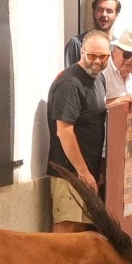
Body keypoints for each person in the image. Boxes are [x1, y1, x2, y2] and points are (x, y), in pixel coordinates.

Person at [47, 31, 109, 232]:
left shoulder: (99, 79)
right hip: (69, 172)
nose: (97, 62)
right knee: (67, 228)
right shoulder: (69, 83)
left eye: (103, 57)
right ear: (82, 52)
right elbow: (64, 131)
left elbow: (93, 112)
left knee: (84, 229)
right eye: (92, 56)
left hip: (87, 171)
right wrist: (82, 172)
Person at [63, 0, 120, 67]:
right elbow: (68, 76)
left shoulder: (119, 47)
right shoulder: (77, 44)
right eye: (100, 10)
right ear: (93, 13)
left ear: (116, 15)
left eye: (109, 11)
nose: (104, 14)